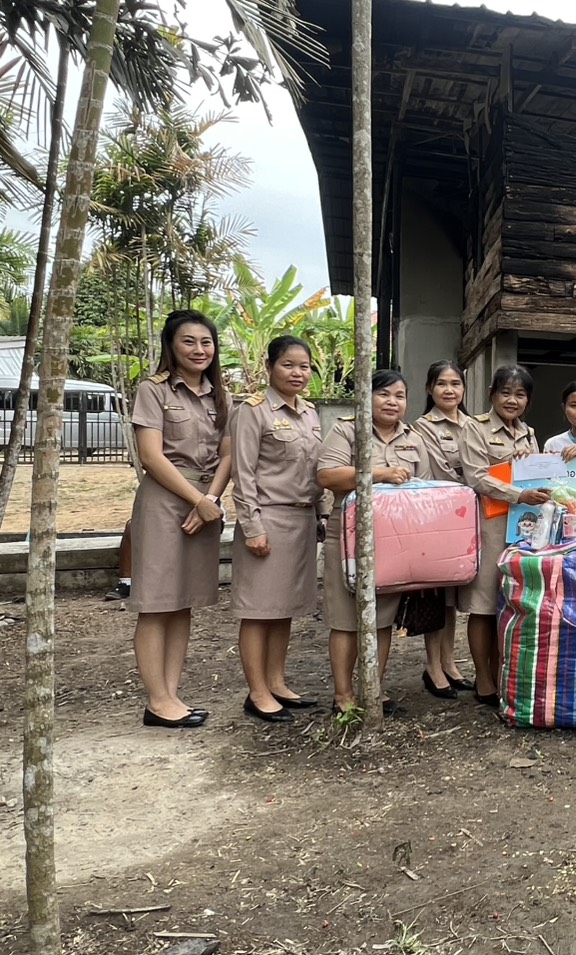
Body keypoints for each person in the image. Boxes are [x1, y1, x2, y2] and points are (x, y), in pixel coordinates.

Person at [317, 369, 453, 715]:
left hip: (396, 538)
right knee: (347, 619)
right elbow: (327, 476)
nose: (392, 402)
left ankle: (372, 690)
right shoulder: (347, 429)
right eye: (384, 394)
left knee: (382, 618)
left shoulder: (414, 437)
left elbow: (421, 488)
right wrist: (379, 474)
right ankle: (343, 696)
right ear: (367, 397)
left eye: (399, 396)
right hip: (349, 536)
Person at [130, 309, 233, 729]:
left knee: (183, 603)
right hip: (164, 500)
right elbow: (151, 456)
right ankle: (157, 700)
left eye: (206, 342)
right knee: (156, 604)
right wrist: (198, 499)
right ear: (171, 345)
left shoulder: (219, 396)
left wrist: (210, 499)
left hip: (203, 501)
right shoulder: (153, 391)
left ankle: (171, 695)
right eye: (189, 341)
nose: (199, 350)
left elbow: (228, 455)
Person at [229, 335, 324, 723]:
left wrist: (321, 515)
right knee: (258, 610)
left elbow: (315, 472)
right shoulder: (254, 411)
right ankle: (257, 692)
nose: (297, 373)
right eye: (288, 364)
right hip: (267, 518)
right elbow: (243, 472)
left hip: (301, 520)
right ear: (270, 367)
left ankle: (277, 682)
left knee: (282, 608)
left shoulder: (311, 413)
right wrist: (252, 526)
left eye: (304, 366)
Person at [458, 364, 551, 708]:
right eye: (506, 392)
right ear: (492, 395)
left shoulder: (528, 432)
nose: (512, 400)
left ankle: (506, 675)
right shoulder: (475, 428)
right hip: (489, 527)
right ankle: (484, 679)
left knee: (513, 604)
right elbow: (476, 476)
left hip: (524, 532)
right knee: (483, 606)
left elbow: (538, 474)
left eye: (520, 394)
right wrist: (519, 494)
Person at [411, 360, 475, 698]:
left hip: (468, 518)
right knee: (435, 596)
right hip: (437, 518)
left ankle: (449, 662)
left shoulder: (473, 425)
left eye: (456, 384)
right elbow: (447, 471)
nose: (449, 390)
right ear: (429, 389)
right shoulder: (422, 428)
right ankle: (432, 667)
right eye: (442, 384)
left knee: (452, 598)